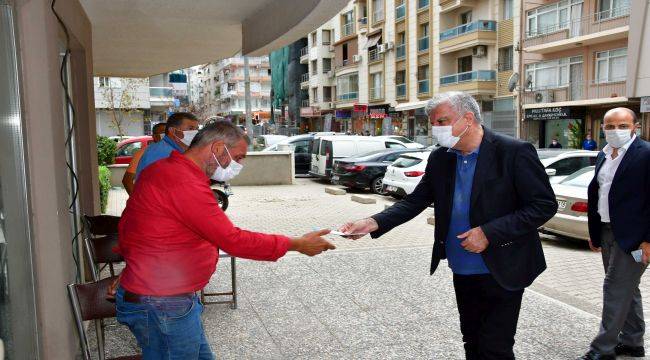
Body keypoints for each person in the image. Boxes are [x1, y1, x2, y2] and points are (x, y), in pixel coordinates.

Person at [339, 91, 557, 360]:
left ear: (468, 118)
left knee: (495, 348)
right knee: (472, 341)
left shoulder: (513, 152)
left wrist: (489, 232)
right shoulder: (441, 157)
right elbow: (416, 200)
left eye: (442, 121)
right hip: (462, 266)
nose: (436, 129)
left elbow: (543, 205)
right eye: (433, 123)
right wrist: (372, 222)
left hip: (503, 265)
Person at [115, 120, 335, 359]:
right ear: (219, 149)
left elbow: (130, 227)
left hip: (168, 297)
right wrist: (298, 244)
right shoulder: (182, 181)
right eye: (239, 158)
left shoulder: (161, 170)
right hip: (163, 302)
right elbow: (233, 240)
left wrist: (134, 271)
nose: (239, 165)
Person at [579, 108, 650, 360]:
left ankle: (603, 350)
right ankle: (632, 342)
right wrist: (595, 232)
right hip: (608, 231)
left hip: (635, 236)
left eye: (622, 125)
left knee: (614, 289)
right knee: (628, 290)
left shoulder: (646, 154)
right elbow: (599, 193)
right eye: (610, 126)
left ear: (635, 127)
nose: (615, 130)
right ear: (602, 128)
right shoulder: (604, 154)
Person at [135, 112, 199, 178]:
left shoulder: (178, 150)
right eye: (191, 129)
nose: (196, 133)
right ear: (172, 131)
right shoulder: (161, 153)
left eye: (197, 129)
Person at [121, 123, 166, 194]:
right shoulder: (142, 153)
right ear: (154, 136)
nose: (167, 135)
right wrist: (137, 201)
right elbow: (127, 181)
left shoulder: (178, 152)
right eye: (164, 132)